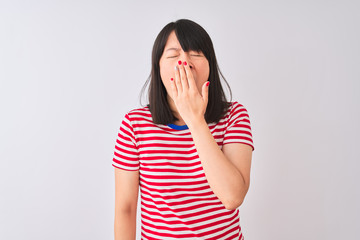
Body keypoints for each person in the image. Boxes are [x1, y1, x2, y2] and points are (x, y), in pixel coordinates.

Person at [113, 19, 254, 240]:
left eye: (196, 53)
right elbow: (126, 208)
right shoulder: (134, 124)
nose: (184, 62)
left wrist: (195, 120)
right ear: (158, 67)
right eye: (173, 55)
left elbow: (232, 197)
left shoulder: (234, 115)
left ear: (210, 65)